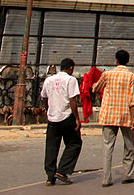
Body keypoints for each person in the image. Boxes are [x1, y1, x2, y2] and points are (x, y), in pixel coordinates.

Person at [93, 49, 134, 187]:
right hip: (125, 115)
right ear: (128, 61)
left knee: (108, 147)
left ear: (116, 60)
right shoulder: (131, 76)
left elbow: (96, 88)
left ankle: (106, 179)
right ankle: (128, 175)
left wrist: (94, 86)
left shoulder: (107, 74)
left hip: (109, 114)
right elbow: (132, 99)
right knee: (129, 146)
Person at [41, 57, 82, 185]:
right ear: (70, 68)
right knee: (74, 143)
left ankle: (50, 176)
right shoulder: (71, 80)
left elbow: (44, 97)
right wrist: (77, 118)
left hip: (52, 116)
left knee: (51, 146)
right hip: (66, 115)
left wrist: (48, 109)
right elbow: (72, 100)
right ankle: (62, 170)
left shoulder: (49, 80)